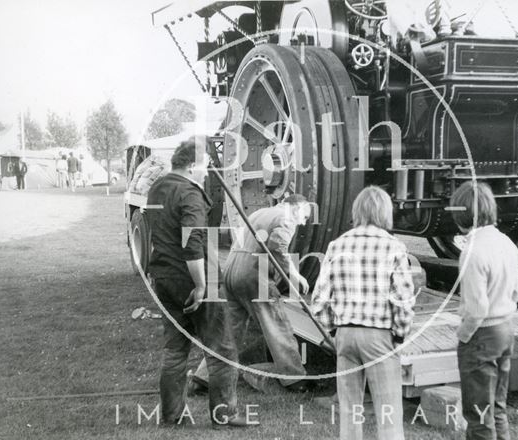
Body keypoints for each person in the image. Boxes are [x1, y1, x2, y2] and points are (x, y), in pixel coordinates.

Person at [145, 137, 249, 428]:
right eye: (204, 167)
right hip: (191, 279)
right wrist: (201, 285)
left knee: (175, 350)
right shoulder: (190, 193)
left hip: (163, 277)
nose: (207, 172)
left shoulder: (158, 187)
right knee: (221, 350)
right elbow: (192, 242)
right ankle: (224, 416)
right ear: (192, 166)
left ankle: (171, 416)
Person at [311, 186, 415, 440]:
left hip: (345, 335)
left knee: (349, 412)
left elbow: (318, 301)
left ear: (357, 211)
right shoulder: (394, 247)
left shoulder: (337, 245)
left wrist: (334, 330)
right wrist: (399, 335)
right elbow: (403, 300)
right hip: (379, 336)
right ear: (385, 213)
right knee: (388, 413)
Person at [191, 195, 313, 393]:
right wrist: (295, 275)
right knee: (276, 324)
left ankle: (203, 378)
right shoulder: (285, 218)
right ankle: (295, 379)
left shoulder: (258, 213)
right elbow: (278, 247)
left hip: (231, 271)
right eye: (304, 216)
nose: (303, 221)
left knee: (229, 331)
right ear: (297, 208)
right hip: (254, 274)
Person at [449, 181, 518, 440]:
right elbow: (517, 291)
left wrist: (463, 334)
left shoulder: (472, 251)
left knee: (478, 414)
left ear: (463, 214)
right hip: (505, 330)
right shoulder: (507, 244)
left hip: (482, 334)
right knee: (497, 407)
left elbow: (477, 308)